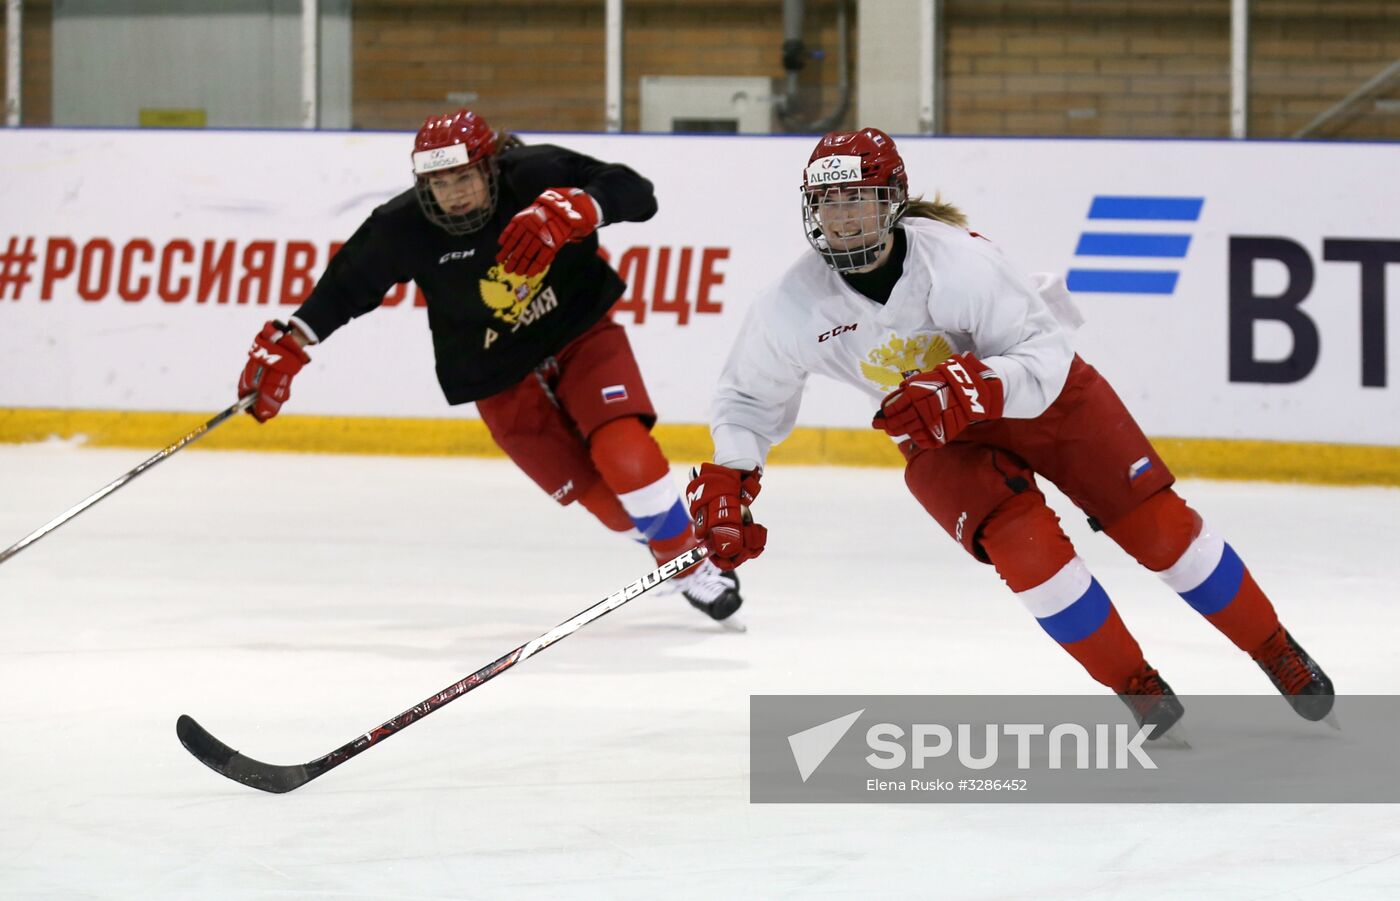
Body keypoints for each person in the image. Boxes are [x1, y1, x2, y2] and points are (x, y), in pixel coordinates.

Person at [685, 127, 1333, 732]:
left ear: (894, 203)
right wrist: (732, 478)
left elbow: (1046, 354)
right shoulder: (789, 305)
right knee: (1030, 558)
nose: (842, 217)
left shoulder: (960, 263)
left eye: (858, 199)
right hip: (941, 435)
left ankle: (1274, 648)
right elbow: (745, 398)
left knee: (1159, 530)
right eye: (828, 203)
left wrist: (980, 385)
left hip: (1042, 399)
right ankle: (1137, 685)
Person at [235, 108, 743, 621]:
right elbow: (347, 288)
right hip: (494, 372)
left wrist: (585, 207)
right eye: (437, 182)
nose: (451, 192)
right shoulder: (403, 225)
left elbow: (637, 193)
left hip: (578, 334)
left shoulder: (537, 174)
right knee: (613, 510)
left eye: (462, 177)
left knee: (627, 457)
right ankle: (676, 547)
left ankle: (686, 565)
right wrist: (293, 341)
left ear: (490, 167)